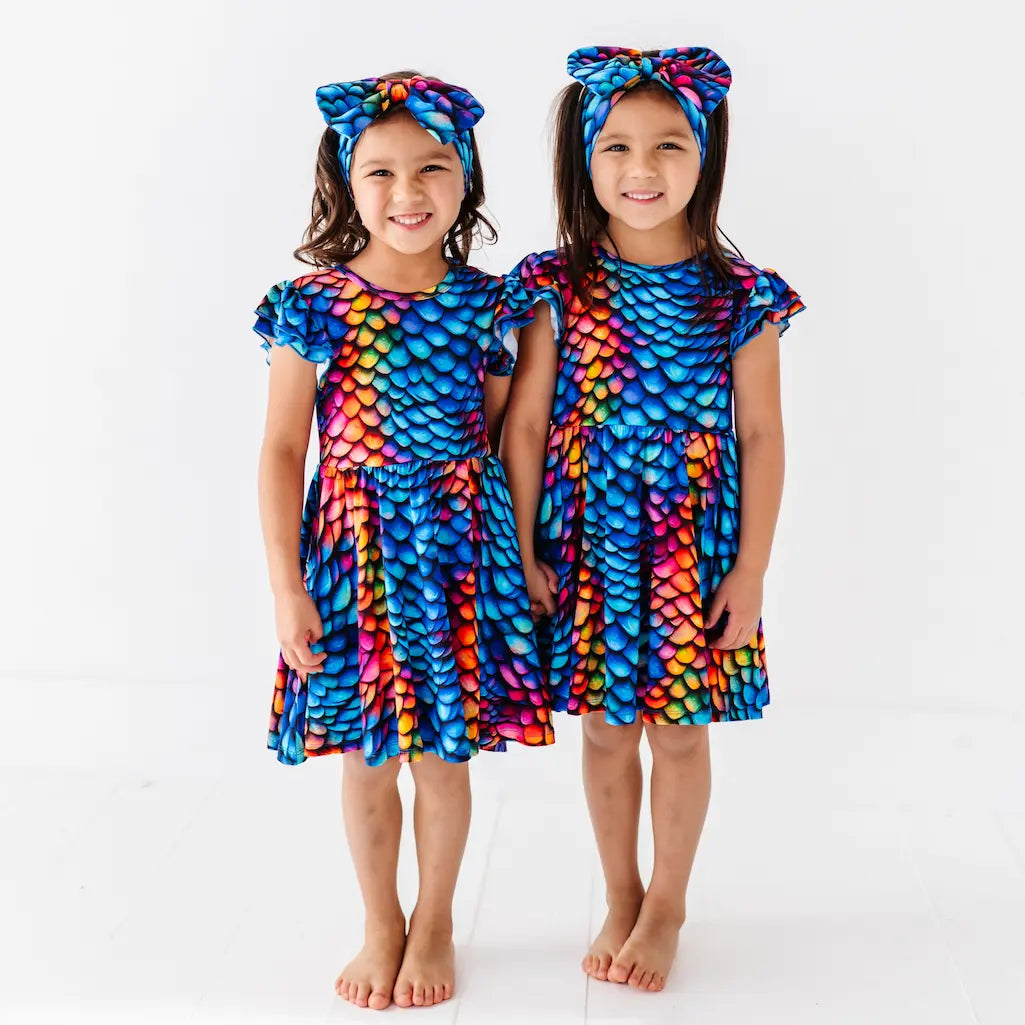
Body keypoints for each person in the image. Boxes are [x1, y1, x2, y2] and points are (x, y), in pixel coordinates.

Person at [499, 46, 806, 993]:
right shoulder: (554, 284)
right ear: (582, 158)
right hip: (587, 544)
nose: (642, 169)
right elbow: (524, 427)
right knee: (602, 727)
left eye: (669, 145)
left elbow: (761, 434)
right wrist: (520, 549)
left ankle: (667, 902)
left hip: (688, 550)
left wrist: (750, 569)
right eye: (617, 146)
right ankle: (621, 891)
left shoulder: (740, 295)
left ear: (705, 155)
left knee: (677, 730)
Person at [254, 71, 553, 1011]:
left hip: (458, 553)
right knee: (367, 753)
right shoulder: (313, 304)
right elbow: (282, 449)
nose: (407, 192)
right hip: (354, 554)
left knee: (442, 754)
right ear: (346, 182)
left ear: (466, 179)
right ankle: (381, 918)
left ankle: (436, 920)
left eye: (432, 168)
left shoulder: (490, 305)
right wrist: (287, 587)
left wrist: (521, 557)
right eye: (379, 171)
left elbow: (502, 438)